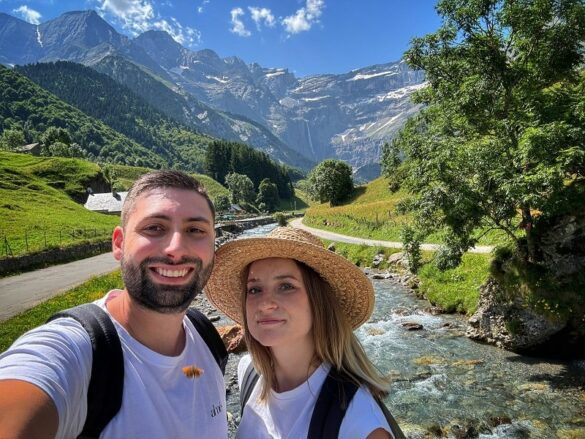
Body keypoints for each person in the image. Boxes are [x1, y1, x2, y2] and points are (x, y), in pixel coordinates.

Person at [0, 170, 228, 438]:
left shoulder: (207, 339)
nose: (176, 248)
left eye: (195, 230)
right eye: (155, 228)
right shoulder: (74, 352)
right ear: (119, 243)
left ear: (213, 245)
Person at [205, 226, 398, 439]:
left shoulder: (359, 421)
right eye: (254, 289)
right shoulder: (249, 373)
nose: (265, 304)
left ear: (319, 302)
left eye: (286, 286)